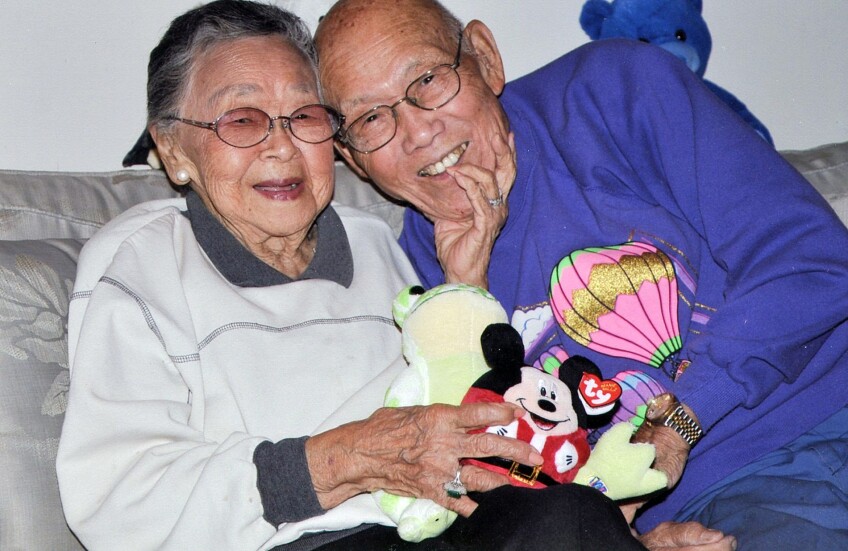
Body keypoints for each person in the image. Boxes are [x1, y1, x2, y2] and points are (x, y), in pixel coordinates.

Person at [56, 1, 649, 550]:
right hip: (297, 543)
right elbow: (119, 499)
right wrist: (342, 458)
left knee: (568, 516)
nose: (281, 147)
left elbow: (459, 419)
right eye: (242, 120)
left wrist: (463, 281)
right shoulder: (143, 259)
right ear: (174, 150)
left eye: (304, 116)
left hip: (435, 530)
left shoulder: (375, 242)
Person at [315, 0, 848, 549]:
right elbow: (498, 487)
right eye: (372, 118)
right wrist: (468, 290)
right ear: (353, 159)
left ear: (485, 59)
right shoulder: (420, 285)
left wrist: (680, 420)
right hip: (722, 502)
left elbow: (811, 257)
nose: (418, 131)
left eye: (427, 80)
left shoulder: (612, 91)